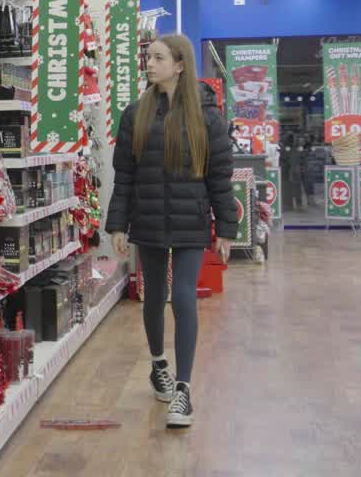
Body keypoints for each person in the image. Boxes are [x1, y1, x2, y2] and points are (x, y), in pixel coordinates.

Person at [105, 34, 239, 429]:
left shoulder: (207, 116)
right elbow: (124, 175)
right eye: (147, 57)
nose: (149, 64)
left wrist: (226, 227)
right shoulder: (135, 114)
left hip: (190, 220)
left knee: (182, 296)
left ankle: (183, 390)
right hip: (147, 218)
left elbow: (220, 177)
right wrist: (117, 223)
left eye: (157, 58)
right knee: (154, 296)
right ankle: (158, 364)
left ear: (180, 64)